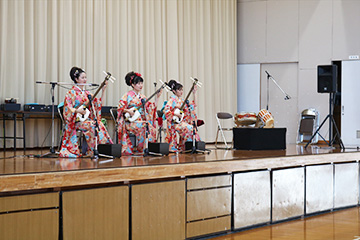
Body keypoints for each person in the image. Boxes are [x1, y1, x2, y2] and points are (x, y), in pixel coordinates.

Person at [59, 67, 113, 158]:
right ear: (76, 79)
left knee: (99, 124)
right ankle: (92, 151)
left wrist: (103, 90)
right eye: (82, 78)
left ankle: (104, 149)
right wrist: (77, 110)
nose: (85, 80)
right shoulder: (71, 93)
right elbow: (68, 109)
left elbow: (98, 104)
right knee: (93, 125)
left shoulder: (87, 93)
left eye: (85, 77)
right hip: (76, 121)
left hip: (86, 120)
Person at [117, 71, 162, 155]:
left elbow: (151, 108)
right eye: (138, 83)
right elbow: (120, 108)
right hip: (129, 122)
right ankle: (142, 149)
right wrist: (128, 111)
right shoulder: (127, 95)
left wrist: (158, 97)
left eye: (141, 83)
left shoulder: (142, 97)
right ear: (133, 85)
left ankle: (144, 149)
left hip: (140, 121)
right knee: (145, 126)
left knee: (149, 127)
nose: (141, 85)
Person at [164, 79, 200, 152]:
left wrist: (194, 93)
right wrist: (175, 113)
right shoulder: (172, 100)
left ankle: (190, 147)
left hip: (180, 122)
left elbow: (194, 105)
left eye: (182, 90)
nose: (181, 92)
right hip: (174, 123)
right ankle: (189, 147)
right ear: (174, 91)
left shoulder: (182, 100)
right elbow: (166, 110)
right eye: (179, 90)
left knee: (191, 128)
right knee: (188, 128)